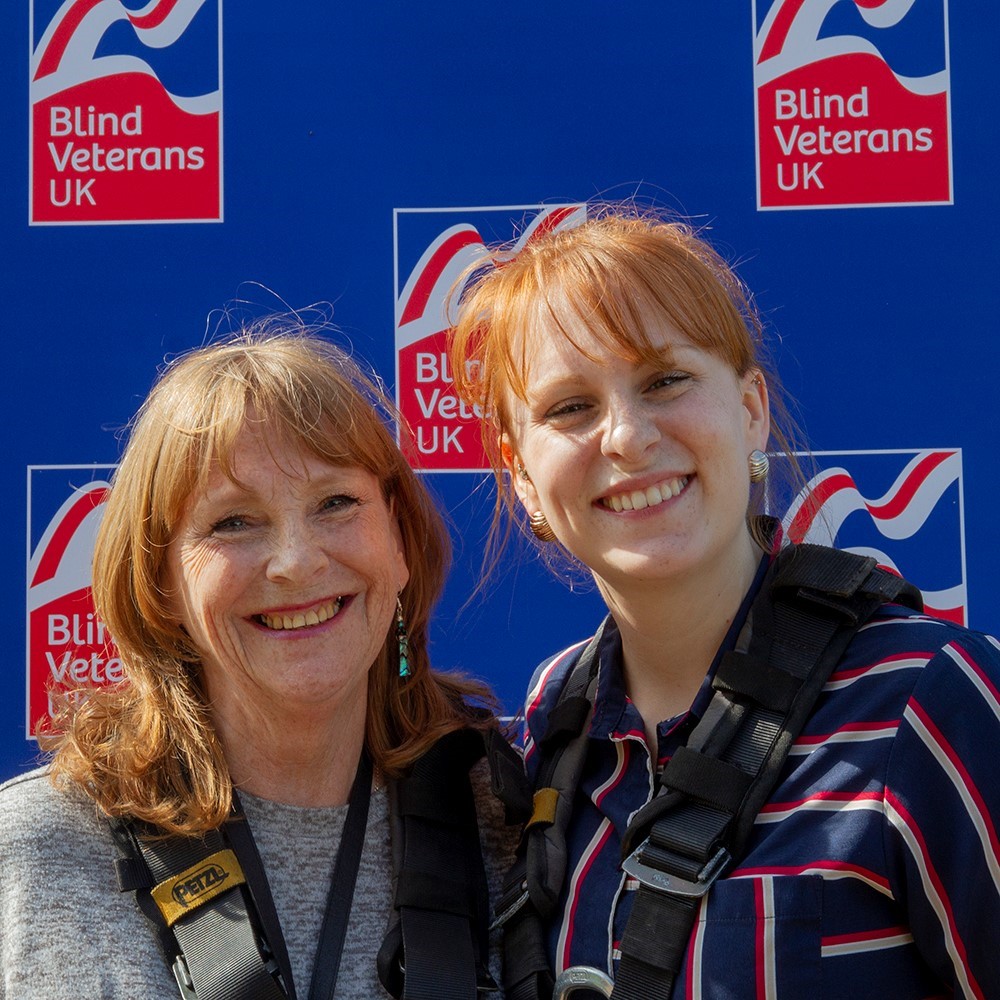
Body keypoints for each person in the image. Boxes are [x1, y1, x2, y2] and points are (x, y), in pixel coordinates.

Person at [449, 207, 1000, 999]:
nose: (628, 437)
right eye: (570, 408)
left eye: (664, 380)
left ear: (749, 411)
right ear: (523, 476)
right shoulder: (546, 731)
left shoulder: (929, 697)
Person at [0, 325, 517, 999]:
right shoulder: (41, 851)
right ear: (161, 584)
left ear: (399, 544)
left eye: (336, 503)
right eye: (234, 522)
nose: (296, 561)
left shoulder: (507, 823)